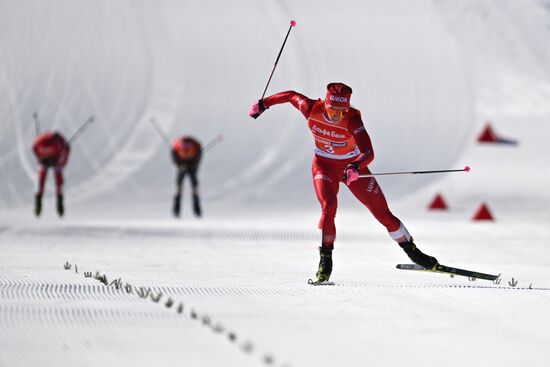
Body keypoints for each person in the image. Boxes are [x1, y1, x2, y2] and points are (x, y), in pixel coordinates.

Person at [248, 82, 439, 282]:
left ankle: (414, 253)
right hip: (324, 167)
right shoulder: (311, 108)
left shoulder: (353, 119)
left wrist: (356, 165)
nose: (337, 116)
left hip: (352, 169)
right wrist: (264, 103)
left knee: (383, 214)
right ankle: (325, 260)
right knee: (328, 207)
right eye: (333, 110)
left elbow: (368, 152)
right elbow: (290, 96)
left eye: (342, 112)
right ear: (325, 104)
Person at [32, 131, 70, 217]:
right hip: (44, 160)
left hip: (56, 160)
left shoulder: (62, 143)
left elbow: (67, 149)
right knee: (41, 180)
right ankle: (38, 203)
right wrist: (40, 158)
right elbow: (34, 147)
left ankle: (60, 204)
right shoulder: (40, 141)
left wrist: (62, 162)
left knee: (59, 180)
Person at [171, 136, 202, 217]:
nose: (186, 153)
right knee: (178, 188)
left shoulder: (196, 146)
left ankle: (197, 211)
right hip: (181, 167)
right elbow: (174, 157)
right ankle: (176, 211)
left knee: (194, 188)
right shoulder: (177, 146)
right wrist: (179, 165)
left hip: (192, 167)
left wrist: (193, 164)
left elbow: (199, 156)